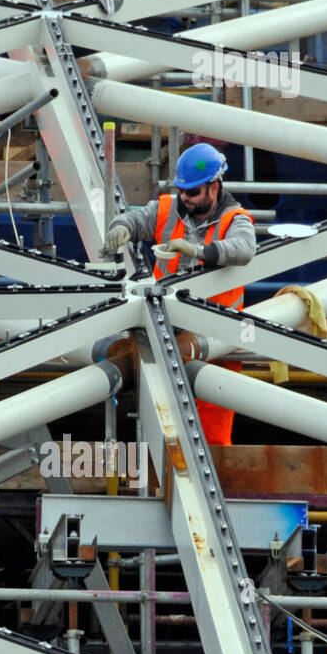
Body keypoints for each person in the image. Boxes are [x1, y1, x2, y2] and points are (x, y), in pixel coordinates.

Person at [104, 141, 255, 444]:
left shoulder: (234, 219)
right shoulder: (167, 208)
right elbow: (135, 219)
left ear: (214, 188)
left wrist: (198, 250)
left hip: (216, 334)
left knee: (213, 429)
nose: (185, 198)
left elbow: (244, 249)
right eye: (182, 191)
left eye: (193, 192)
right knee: (163, 424)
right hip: (168, 327)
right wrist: (120, 227)